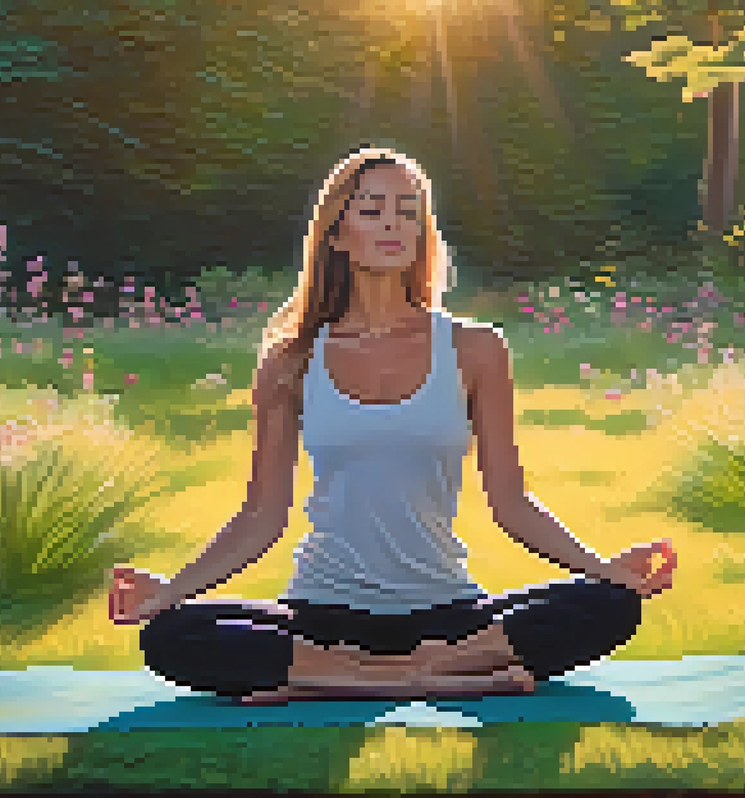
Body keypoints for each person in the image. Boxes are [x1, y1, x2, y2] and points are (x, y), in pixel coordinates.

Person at [109, 145, 677, 705]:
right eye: (373, 209)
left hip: (450, 612)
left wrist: (603, 568)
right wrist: (171, 590)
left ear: (423, 233)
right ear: (336, 233)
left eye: (408, 210)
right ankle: (421, 678)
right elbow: (261, 515)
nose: (393, 224)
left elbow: (512, 502)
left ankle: (338, 679)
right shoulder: (290, 361)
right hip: (321, 613)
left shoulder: (476, 349)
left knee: (612, 604)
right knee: (170, 635)